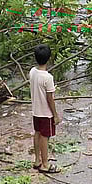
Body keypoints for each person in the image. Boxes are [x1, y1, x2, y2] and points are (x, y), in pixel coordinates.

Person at [30, 44, 61, 174]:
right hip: (45, 113)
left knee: (37, 133)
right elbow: (50, 98)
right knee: (45, 137)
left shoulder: (32, 72)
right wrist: (55, 115)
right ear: (49, 58)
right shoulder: (48, 78)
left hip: (36, 110)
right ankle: (45, 164)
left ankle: (37, 160)